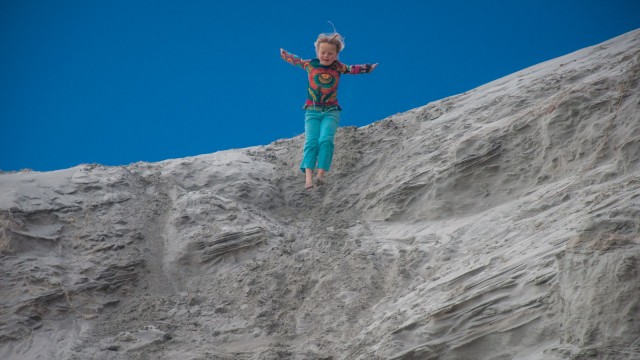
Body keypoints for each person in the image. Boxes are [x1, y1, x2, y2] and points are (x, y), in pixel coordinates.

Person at [280, 31, 377, 189]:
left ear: (336, 54)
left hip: (331, 110)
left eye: (330, 53)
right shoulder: (310, 64)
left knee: (325, 140)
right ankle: (308, 179)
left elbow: (353, 69)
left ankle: (321, 175)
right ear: (317, 52)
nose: (326, 55)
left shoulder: (338, 67)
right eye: (323, 52)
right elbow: (295, 61)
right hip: (312, 110)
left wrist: (368, 68)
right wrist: (284, 54)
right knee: (311, 141)